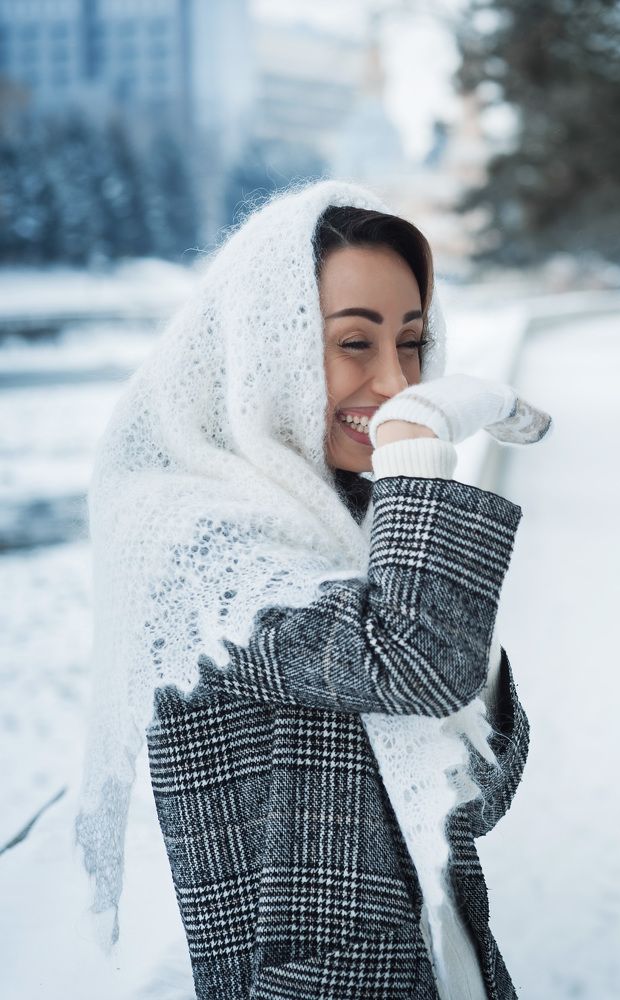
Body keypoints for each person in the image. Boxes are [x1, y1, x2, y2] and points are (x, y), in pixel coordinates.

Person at [74, 179, 552, 1000]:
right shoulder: (194, 541)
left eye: (411, 343)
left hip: (445, 963)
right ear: (268, 348)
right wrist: (413, 442)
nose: (397, 382)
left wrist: (452, 601)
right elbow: (415, 665)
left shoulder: (351, 517)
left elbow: (475, 802)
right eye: (354, 343)